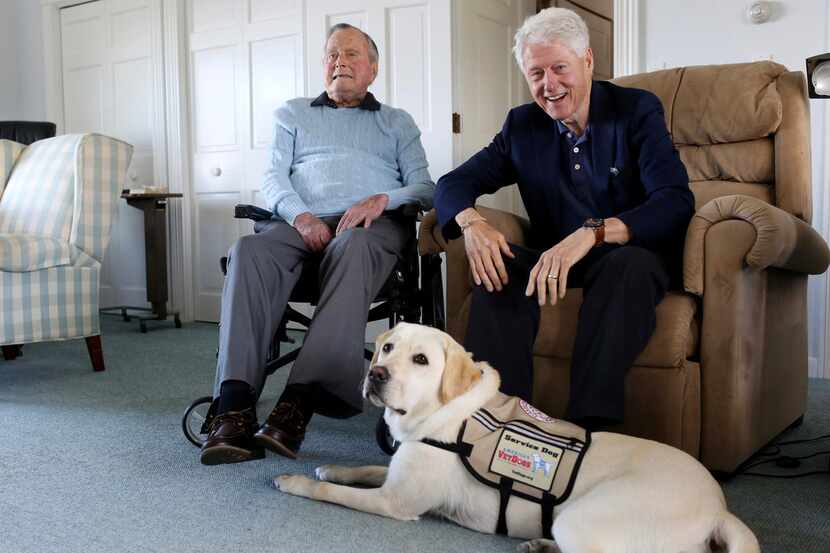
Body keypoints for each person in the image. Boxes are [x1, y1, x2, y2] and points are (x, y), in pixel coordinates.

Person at [433, 7, 694, 429]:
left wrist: (594, 233)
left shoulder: (635, 110)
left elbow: (674, 201)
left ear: (587, 61)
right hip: (552, 257)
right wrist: (473, 224)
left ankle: (591, 426)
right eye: (536, 73)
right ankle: (496, 420)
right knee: (497, 266)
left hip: (626, 254)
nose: (549, 85)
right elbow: (451, 183)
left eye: (560, 68)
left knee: (630, 266)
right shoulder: (522, 126)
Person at [200, 23, 434, 465]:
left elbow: (426, 187)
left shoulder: (396, 122)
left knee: (355, 246)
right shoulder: (293, 113)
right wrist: (300, 215)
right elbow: (273, 177)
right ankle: (232, 407)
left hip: (369, 229)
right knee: (247, 252)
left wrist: (384, 198)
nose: (339, 62)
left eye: (351, 54)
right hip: (300, 224)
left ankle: (297, 403)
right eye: (331, 54)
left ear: (373, 68)